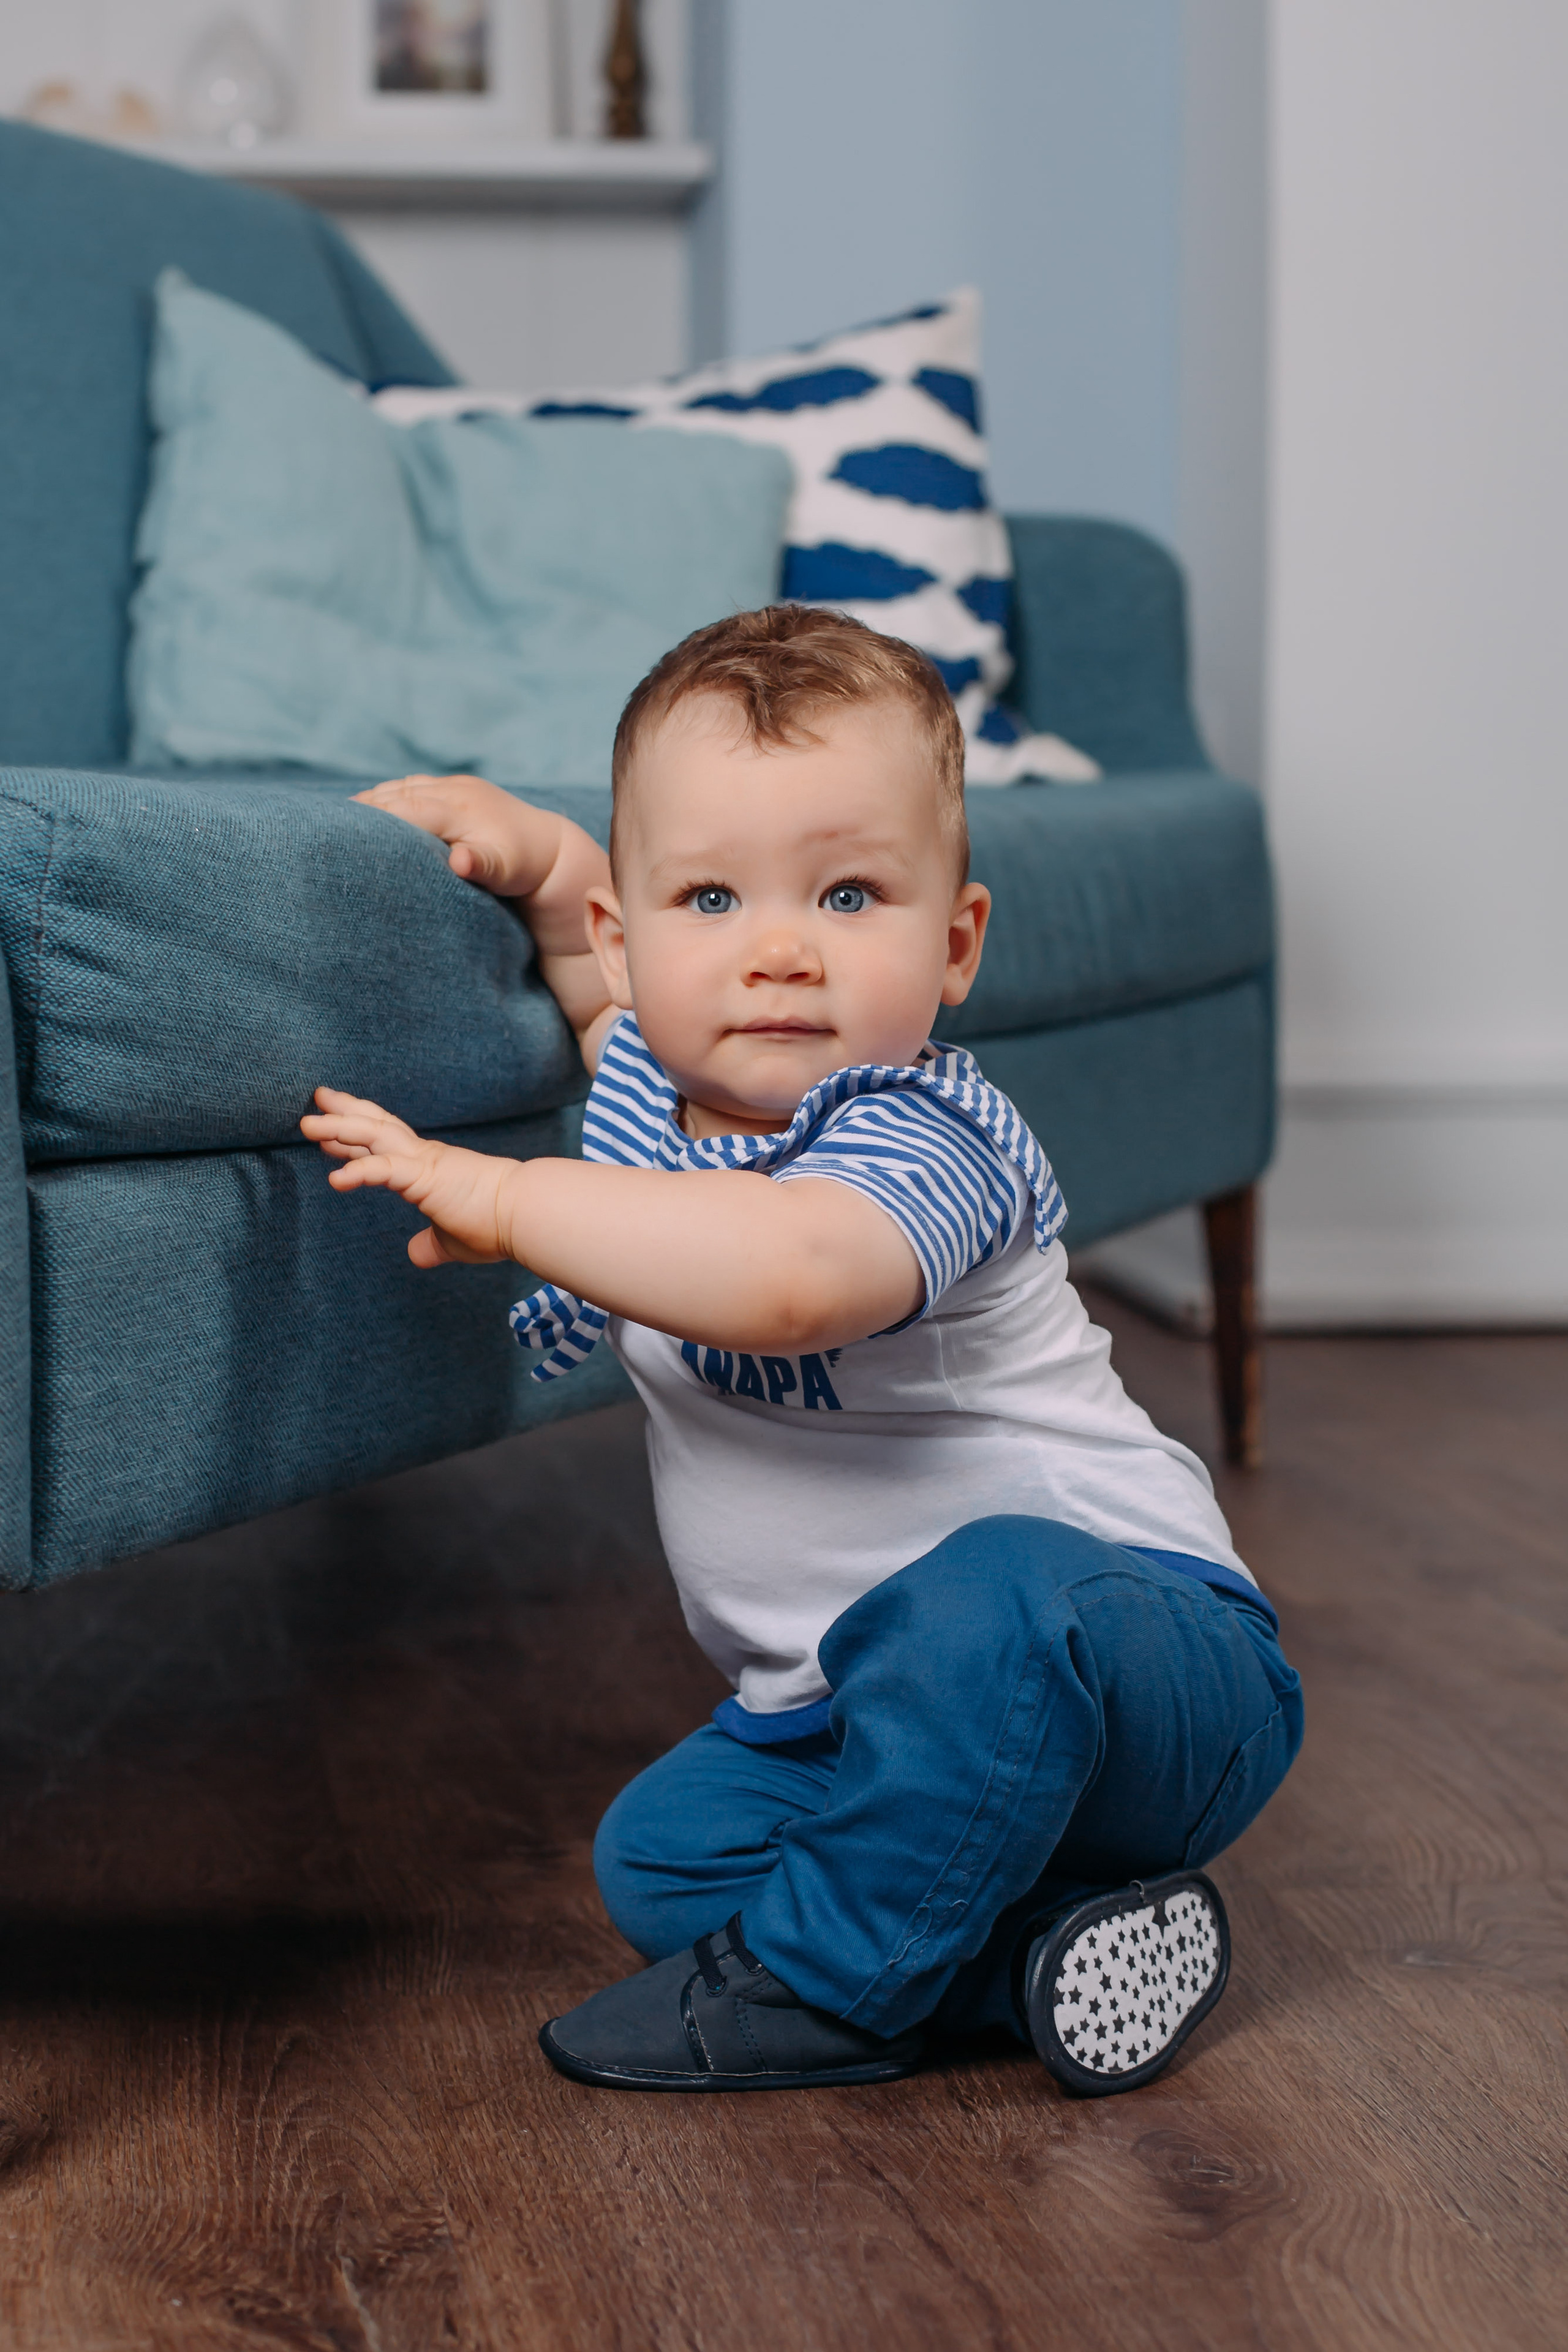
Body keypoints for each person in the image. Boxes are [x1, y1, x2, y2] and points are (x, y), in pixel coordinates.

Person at [303, 606, 1303, 2097]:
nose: (775, 952)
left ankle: (823, 1992)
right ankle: (1038, 1955)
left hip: (1134, 1668)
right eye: (712, 900)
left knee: (982, 1591)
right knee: (660, 1863)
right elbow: (603, 976)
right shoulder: (651, 1090)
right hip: (856, 1727)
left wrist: (514, 1197)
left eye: (847, 895)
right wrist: (534, 852)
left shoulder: (925, 1135)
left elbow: (788, 1282)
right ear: (631, 948)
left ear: (952, 944)